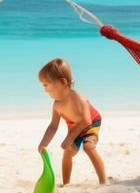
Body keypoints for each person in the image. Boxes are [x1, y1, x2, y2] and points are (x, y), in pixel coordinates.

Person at [37, 57, 107, 185]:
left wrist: (69, 137)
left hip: (92, 123)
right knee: (68, 152)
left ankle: (103, 181)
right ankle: (66, 184)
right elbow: (53, 126)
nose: (44, 89)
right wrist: (43, 144)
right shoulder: (57, 105)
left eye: (46, 85)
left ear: (62, 83)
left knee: (88, 146)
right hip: (75, 128)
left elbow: (86, 121)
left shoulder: (77, 97)